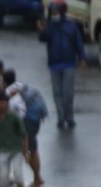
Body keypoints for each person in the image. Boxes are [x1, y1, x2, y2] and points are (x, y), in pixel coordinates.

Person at [38, 0, 87, 129]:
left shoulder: (71, 25)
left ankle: (69, 117)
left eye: (56, 12)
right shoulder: (49, 26)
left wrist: (82, 58)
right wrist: (42, 30)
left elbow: (78, 42)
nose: (54, 14)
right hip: (54, 64)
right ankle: (61, 117)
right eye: (52, 12)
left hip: (69, 63)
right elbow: (43, 38)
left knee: (68, 93)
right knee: (57, 93)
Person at [3, 68, 45, 187]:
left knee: (28, 150)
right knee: (34, 149)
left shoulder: (8, 93)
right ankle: (38, 178)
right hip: (35, 120)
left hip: (25, 124)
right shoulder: (21, 86)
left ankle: (37, 178)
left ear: (4, 81)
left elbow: (11, 114)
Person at [0, 88, 29, 187]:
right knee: (4, 180)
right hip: (3, 151)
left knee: (18, 176)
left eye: (4, 102)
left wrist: (25, 153)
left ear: (7, 103)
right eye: (0, 103)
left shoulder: (14, 117)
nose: (2, 105)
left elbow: (24, 135)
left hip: (16, 150)